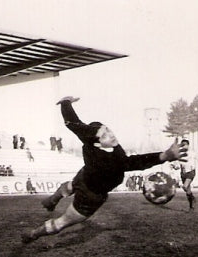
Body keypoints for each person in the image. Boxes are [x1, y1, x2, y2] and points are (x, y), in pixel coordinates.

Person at [22, 96, 187, 243]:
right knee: (63, 221)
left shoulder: (90, 139)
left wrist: (66, 102)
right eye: (104, 135)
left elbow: (72, 122)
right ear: (97, 143)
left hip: (85, 175)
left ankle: (52, 200)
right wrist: (164, 156)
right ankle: (33, 234)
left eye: (107, 129)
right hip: (91, 196)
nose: (111, 134)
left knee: (72, 185)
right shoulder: (110, 161)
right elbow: (133, 162)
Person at [176, 139, 198, 210]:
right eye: (182, 145)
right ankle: (191, 206)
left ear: (188, 145)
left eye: (185, 145)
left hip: (191, 172)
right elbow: (178, 165)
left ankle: (192, 198)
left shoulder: (192, 153)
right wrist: (175, 167)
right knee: (187, 190)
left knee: (184, 186)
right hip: (183, 173)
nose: (183, 146)